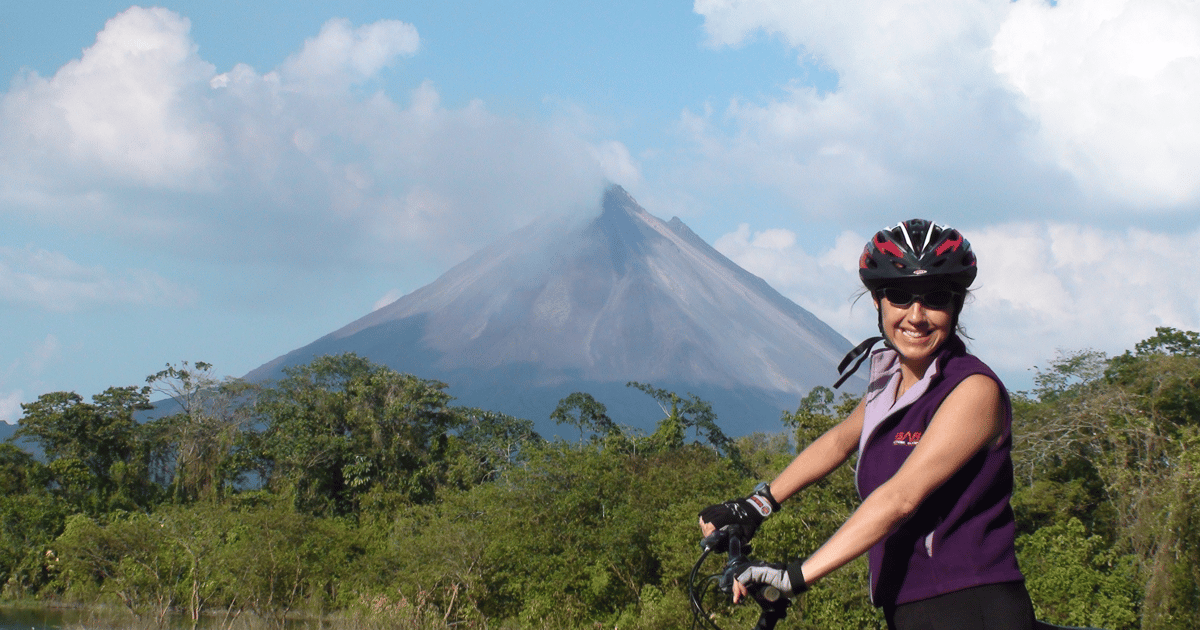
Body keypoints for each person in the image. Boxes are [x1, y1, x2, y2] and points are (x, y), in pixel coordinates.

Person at [699, 219, 1035, 630]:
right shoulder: (891, 379)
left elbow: (899, 499)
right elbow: (839, 442)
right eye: (900, 297)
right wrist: (756, 505)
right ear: (878, 302)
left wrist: (796, 576)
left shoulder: (972, 390)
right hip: (911, 609)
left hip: (972, 605)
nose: (916, 316)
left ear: (956, 305)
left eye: (935, 298)